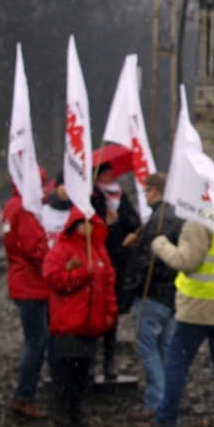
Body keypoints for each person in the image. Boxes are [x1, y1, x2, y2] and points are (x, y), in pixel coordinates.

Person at [147, 219, 214, 427]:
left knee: (177, 362)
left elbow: (185, 261)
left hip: (198, 305)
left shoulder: (198, 221)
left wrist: (159, 244)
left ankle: (166, 418)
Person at [42, 209, 116, 427]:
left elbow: (108, 283)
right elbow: (53, 279)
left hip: (90, 325)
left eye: (91, 223)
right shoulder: (61, 249)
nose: (88, 227)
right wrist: (82, 275)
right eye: (83, 223)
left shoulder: (99, 250)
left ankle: (75, 414)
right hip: (68, 324)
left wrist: (110, 312)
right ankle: (65, 414)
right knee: (66, 373)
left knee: (83, 372)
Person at [120, 173, 184, 418]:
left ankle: (156, 401)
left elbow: (149, 262)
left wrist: (131, 286)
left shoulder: (158, 220)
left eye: (146, 190)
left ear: (155, 191)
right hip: (172, 296)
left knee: (147, 348)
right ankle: (168, 402)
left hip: (154, 295)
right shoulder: (176, 216)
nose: (145, 195)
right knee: (165, 350)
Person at [3, 171, 50, 419]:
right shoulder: (27, 207)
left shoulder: (13, 205)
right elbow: (34, 247)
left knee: (35, 341)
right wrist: (53, 261)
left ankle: (25, 394)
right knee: (37, 342)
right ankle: (24, 396)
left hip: (22, 280)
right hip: (32, 283)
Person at [92, 163, 141, 380]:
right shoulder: (91, 197)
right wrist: (105, 223)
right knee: (94, 311)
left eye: (110, 175)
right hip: (97, 262)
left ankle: (108, 360)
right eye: (105, 175)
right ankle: (90, 362)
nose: (109, 179)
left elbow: (134, 222)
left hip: (118, 263)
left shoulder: (121, 196)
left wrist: (123, 225)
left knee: (111, 313)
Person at [41, 175, 73, 249]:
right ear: (56, 188)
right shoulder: (43, 212)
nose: (66, 189)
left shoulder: (77, 213)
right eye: (63, 184)